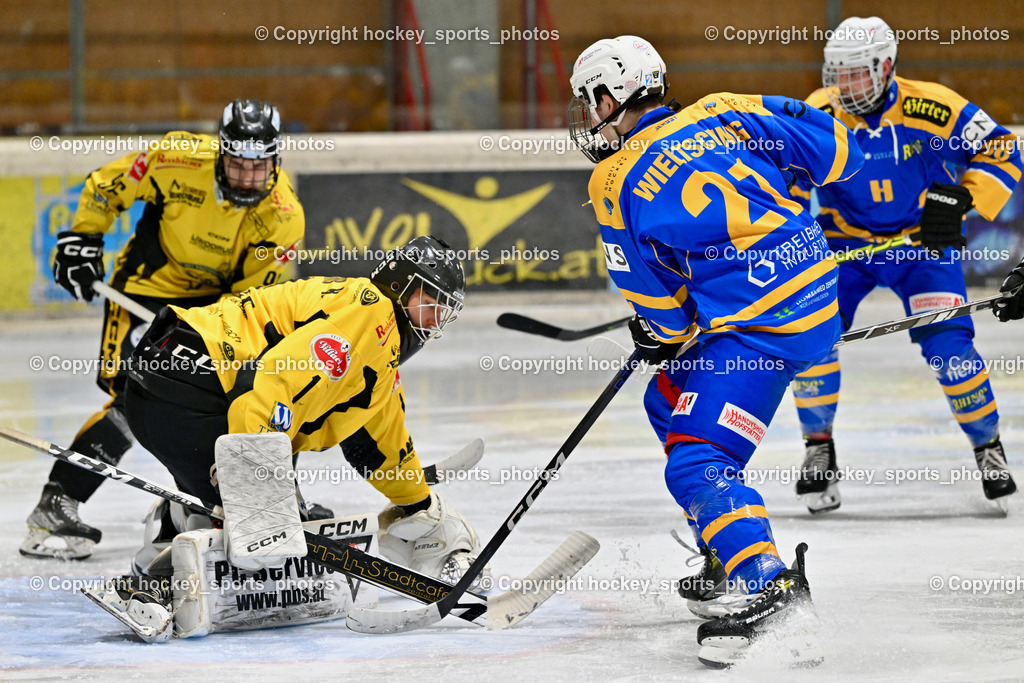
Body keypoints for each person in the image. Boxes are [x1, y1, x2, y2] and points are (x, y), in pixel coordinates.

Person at [569, 35, 864, 667]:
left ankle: (771, 587)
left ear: (610, 95)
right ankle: (722, 545)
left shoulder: (612, 178)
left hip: (759, 329)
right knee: (665, 401)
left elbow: (667, 318)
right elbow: (843, 150)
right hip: (815, 292)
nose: (586, 118)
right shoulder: (726, 108)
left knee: (696, 462)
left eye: (588, 102)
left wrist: (658, 329)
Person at [90, 236, 484, 640]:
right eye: (429, 301)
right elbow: (267, 384)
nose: (433, 319)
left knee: (275, 499)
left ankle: (175, 528)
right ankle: (152, 587)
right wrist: (258, 499)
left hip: (168, 376)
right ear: (399, 286)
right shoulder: (371, 318)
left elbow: (381, 444)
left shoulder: (377, 342)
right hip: (190, 383)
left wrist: (419, 505)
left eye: (442, 310)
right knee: (261, 532)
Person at [23, 99, 306, 560]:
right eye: (237, 165)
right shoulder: (176, 157)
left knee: (215, 402)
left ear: (276, 160)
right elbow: (106, 185)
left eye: (260, 167)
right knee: (133, 402)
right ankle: (58, 502)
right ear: (220, 154)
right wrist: (84, 237)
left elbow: (254, 306)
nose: (248, 178)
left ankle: (200, 508)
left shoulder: (283, 217)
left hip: (213, 312)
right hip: (143, 289)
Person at [788, 16, 1021, 513]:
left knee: (952, 351)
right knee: (811, 335)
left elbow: (1003, 148)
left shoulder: (932, 105)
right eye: (837, 74)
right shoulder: (817, 112)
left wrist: (962, 198)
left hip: (921, 249)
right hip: (844, 249)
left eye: (856, 73)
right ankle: (818, 447)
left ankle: (988, 447)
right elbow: (789, 180)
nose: (844, 86)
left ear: (887, 66)